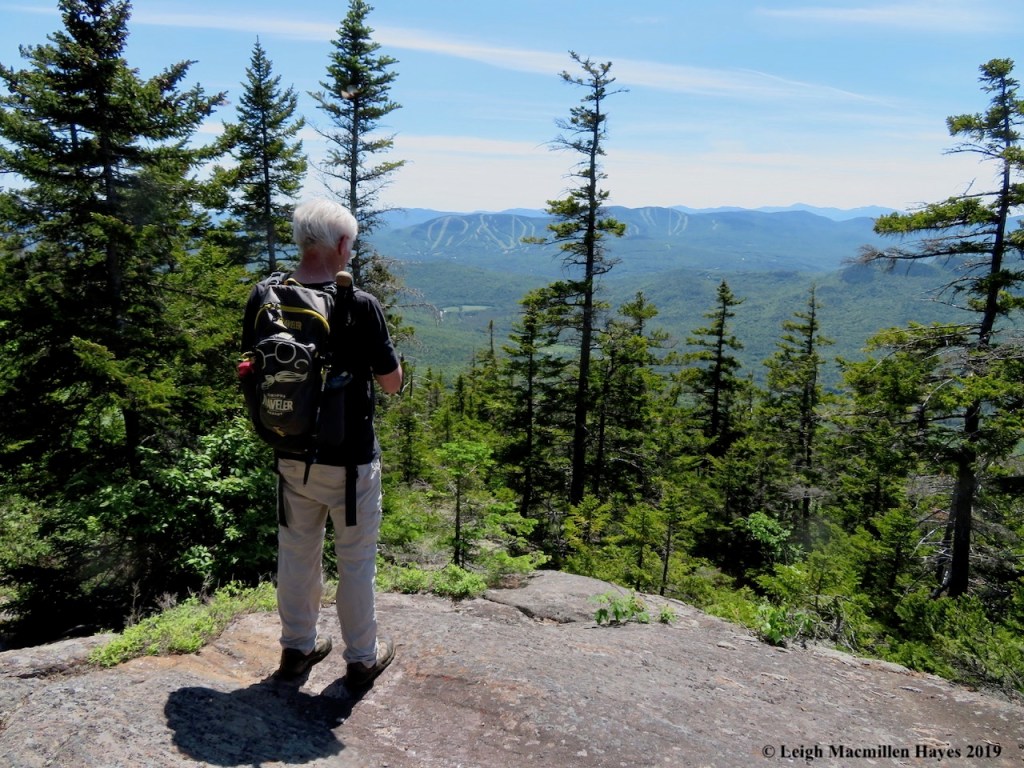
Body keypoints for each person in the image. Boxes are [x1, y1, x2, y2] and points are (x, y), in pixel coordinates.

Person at [242, 198, 403, 689]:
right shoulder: (358, 303)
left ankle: (297, 649)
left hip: (290, 450)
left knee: (296, 554)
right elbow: (392, 383)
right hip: (349, 461)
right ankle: (361, 659)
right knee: (355, 561)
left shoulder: (266, 296)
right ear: (342, 243)